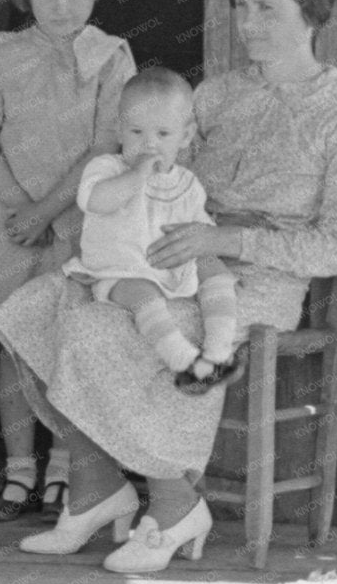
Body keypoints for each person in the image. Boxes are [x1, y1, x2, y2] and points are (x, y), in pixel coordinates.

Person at [0, 0, 337, 572]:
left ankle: (173, 505)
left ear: (311, 11)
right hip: (172, 251)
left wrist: (219, 242)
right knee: (37, 305)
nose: (247, 24)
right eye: (240, 6)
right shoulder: (216, 95)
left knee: (105, 328)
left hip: (256, 279)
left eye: (266, 9)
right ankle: (96, 487)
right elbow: (167, 180)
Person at [0, 0, 134, 522]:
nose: (60, 7)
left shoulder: (110, 57)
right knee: (15, 349)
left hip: (80, 220)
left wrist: (50, 209)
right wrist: (19, 208)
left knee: (70, 346)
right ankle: (18, 471)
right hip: (8, 223)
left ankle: (64, 470)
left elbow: (108, 144)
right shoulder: (0, 54)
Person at [63, 69, 240, 393]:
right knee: (143, 293)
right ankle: (185, 361)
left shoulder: (187, 183)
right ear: (119, 130)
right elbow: (95, 200)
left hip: (171, 265)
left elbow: (199, 228)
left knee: (215, 268)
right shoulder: (107, 168)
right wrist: (138, 174)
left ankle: (218, 354)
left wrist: (201, 244)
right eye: (136, 132)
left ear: (185, 137)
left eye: (163, 134)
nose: (149, 144)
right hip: (122, 270)